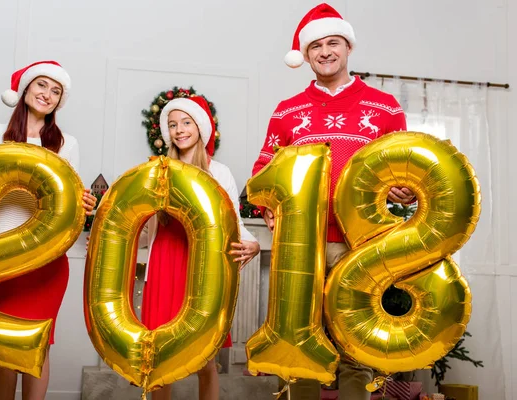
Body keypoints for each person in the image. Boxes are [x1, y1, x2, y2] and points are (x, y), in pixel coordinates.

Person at [252, 3, 415, 400]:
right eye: (316, 46)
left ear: (348, 48)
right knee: (298, 340)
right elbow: (263, 169)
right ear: (305, 56)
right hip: (300, 246)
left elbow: (406, 168)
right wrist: (268, 208)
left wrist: (404, 188)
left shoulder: (385, 107)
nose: (325, 52)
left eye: (333, 43)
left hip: (359, 243)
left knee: (353, 343)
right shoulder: (287, 111)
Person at [0, 60, 97, 400]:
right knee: (1, 345)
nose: (47, 94)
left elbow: (70, 202)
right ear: (26, 89)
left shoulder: (66, 144)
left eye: (56, 91)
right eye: (42, 86)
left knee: (38, 345)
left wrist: (84, 203)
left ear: (60, 101)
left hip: (45, 257)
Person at [139, 96, 260, 400]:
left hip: (204, 271)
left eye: (186, 122)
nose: (179, 130)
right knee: (159, 360)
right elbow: (142, 225)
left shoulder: (219, 173)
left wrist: (254, 244)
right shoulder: (158, 171)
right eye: (172, 124)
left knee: (205, 360)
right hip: (165, 263)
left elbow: (234, 221)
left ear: (200, 128)